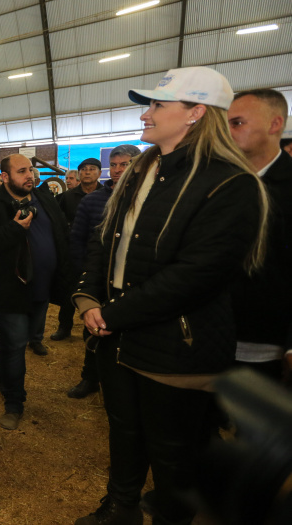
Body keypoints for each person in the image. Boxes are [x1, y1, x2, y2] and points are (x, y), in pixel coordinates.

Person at [73, 67, 268, 525]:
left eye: (159, 105)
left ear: (196, 113)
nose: (146, 114)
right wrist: (88, 299)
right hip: (119, 335)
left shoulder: (230, 183)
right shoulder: (142, 171)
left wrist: (113, 315)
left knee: (173, 452)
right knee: (124, 432)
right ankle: (120, 507)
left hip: (177, 344)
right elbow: (105, 239)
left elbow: (196, 275)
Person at [0, 153, 69, 429]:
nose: (29, 175)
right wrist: (14, 229)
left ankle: (0, 378)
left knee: (13, 342)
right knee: (16, 345)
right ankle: (14, 402)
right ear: (5, 177)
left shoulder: (45, 198)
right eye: (21, 171)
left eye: (30, 170)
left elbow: (60, 233)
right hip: (9, 290)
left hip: (42, 287)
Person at [65, 144, 140, 399]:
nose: (118, 170)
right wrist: (85, 277)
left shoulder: (148, 198)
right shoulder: (93, 200)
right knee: (93, 328)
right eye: (114, 165)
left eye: (124, 164)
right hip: (97, 277)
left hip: (131, 279)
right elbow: (77, 240)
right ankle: (90, 377)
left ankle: (124, 381)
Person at [228, 89, 292, 381]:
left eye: (238, 123)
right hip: (208, 334)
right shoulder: (216, 183)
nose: (228, 132)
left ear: (274, 124)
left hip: (266, 341)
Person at [52, 157, 102, 341]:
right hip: (72, 251)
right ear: (79, 173)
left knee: (97, 289)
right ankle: (64, 327)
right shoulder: (68, 197)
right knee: (69, 289)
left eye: (92, 169)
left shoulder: (106, 194)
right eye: (84, 169)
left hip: (98, 252)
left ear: (99, 173)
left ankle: (93, 329)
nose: (87, 172)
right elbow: (58, 221)